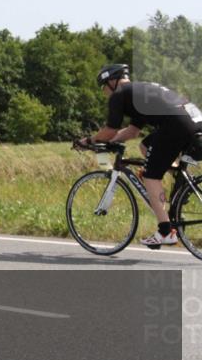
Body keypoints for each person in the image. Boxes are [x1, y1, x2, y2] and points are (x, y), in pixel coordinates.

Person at [79, 64, 202, 246]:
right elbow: (132, 131)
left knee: (150, 176)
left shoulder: (119, 94)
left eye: (103, 86)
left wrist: (89, 141)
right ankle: (181, 182)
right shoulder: (139, 92)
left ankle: (166, 232)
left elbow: (110, 130)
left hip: (176, 127)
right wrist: (110, 142)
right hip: (194, 123)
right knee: (145, 147)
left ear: (112, 81)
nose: (104, 91)